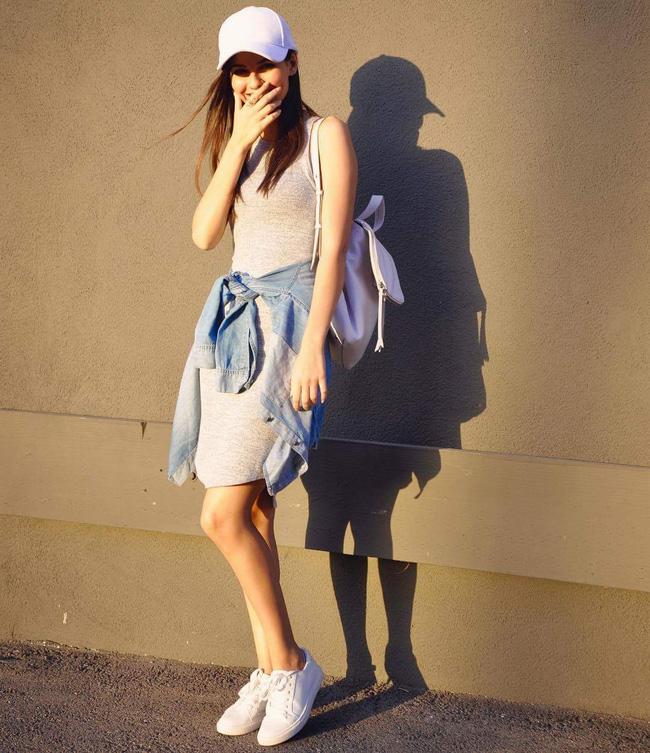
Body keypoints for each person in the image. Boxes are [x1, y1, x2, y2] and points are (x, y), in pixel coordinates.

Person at [163, 5, 357, 746]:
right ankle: (270, 666)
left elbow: (331, 251)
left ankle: (292, 664)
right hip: (233, 334)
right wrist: (240, 141)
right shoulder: (238, 140)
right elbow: (204, 234)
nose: (252, 81)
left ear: (292, 61)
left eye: (264, 64)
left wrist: (311, 351)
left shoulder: (325, 136)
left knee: (221, 515)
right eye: (239, 70)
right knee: (254, 515)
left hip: (286, 337)